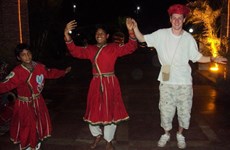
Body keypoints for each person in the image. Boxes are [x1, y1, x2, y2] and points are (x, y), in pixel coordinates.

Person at [131, 4, 227, 149]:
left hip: (184, 83)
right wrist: (135, 27)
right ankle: (166, 133)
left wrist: (213, 59)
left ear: (183, 20)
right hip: (166, 81)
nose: (177, 21)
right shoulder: (161, 34)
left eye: (180, 18)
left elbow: (198, 57)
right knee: (165, 111)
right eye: (174, 18)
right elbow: (142, 38)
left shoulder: (188, 39)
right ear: (170, 19)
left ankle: (180, 134)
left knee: (184, 111)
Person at [64, 18, 137, 150]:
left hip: (111, 82)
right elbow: (75, 51)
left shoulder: (114, 47)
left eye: (102, 33)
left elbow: (130, 48)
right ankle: (97, 135)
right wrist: (67, 35)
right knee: (93, 111)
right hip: (96, 83)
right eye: (97, 33)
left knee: (111, 111)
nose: (99, 35)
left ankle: (108, 140)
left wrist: (131, 31)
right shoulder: (90, 49)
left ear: (107, 36)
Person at [0, 43, 71, 150]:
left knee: (39, 123)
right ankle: (27, 146)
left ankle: (35, 144)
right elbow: (6, 85)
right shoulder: (17, 72)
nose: (27, 56)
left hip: (38, 101)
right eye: (23, 55)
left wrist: (63, 72)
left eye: (28, 53)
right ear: (19, 57)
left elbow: (50, 73)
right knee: (28, 126)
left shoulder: (39, 66)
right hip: (24, 104)